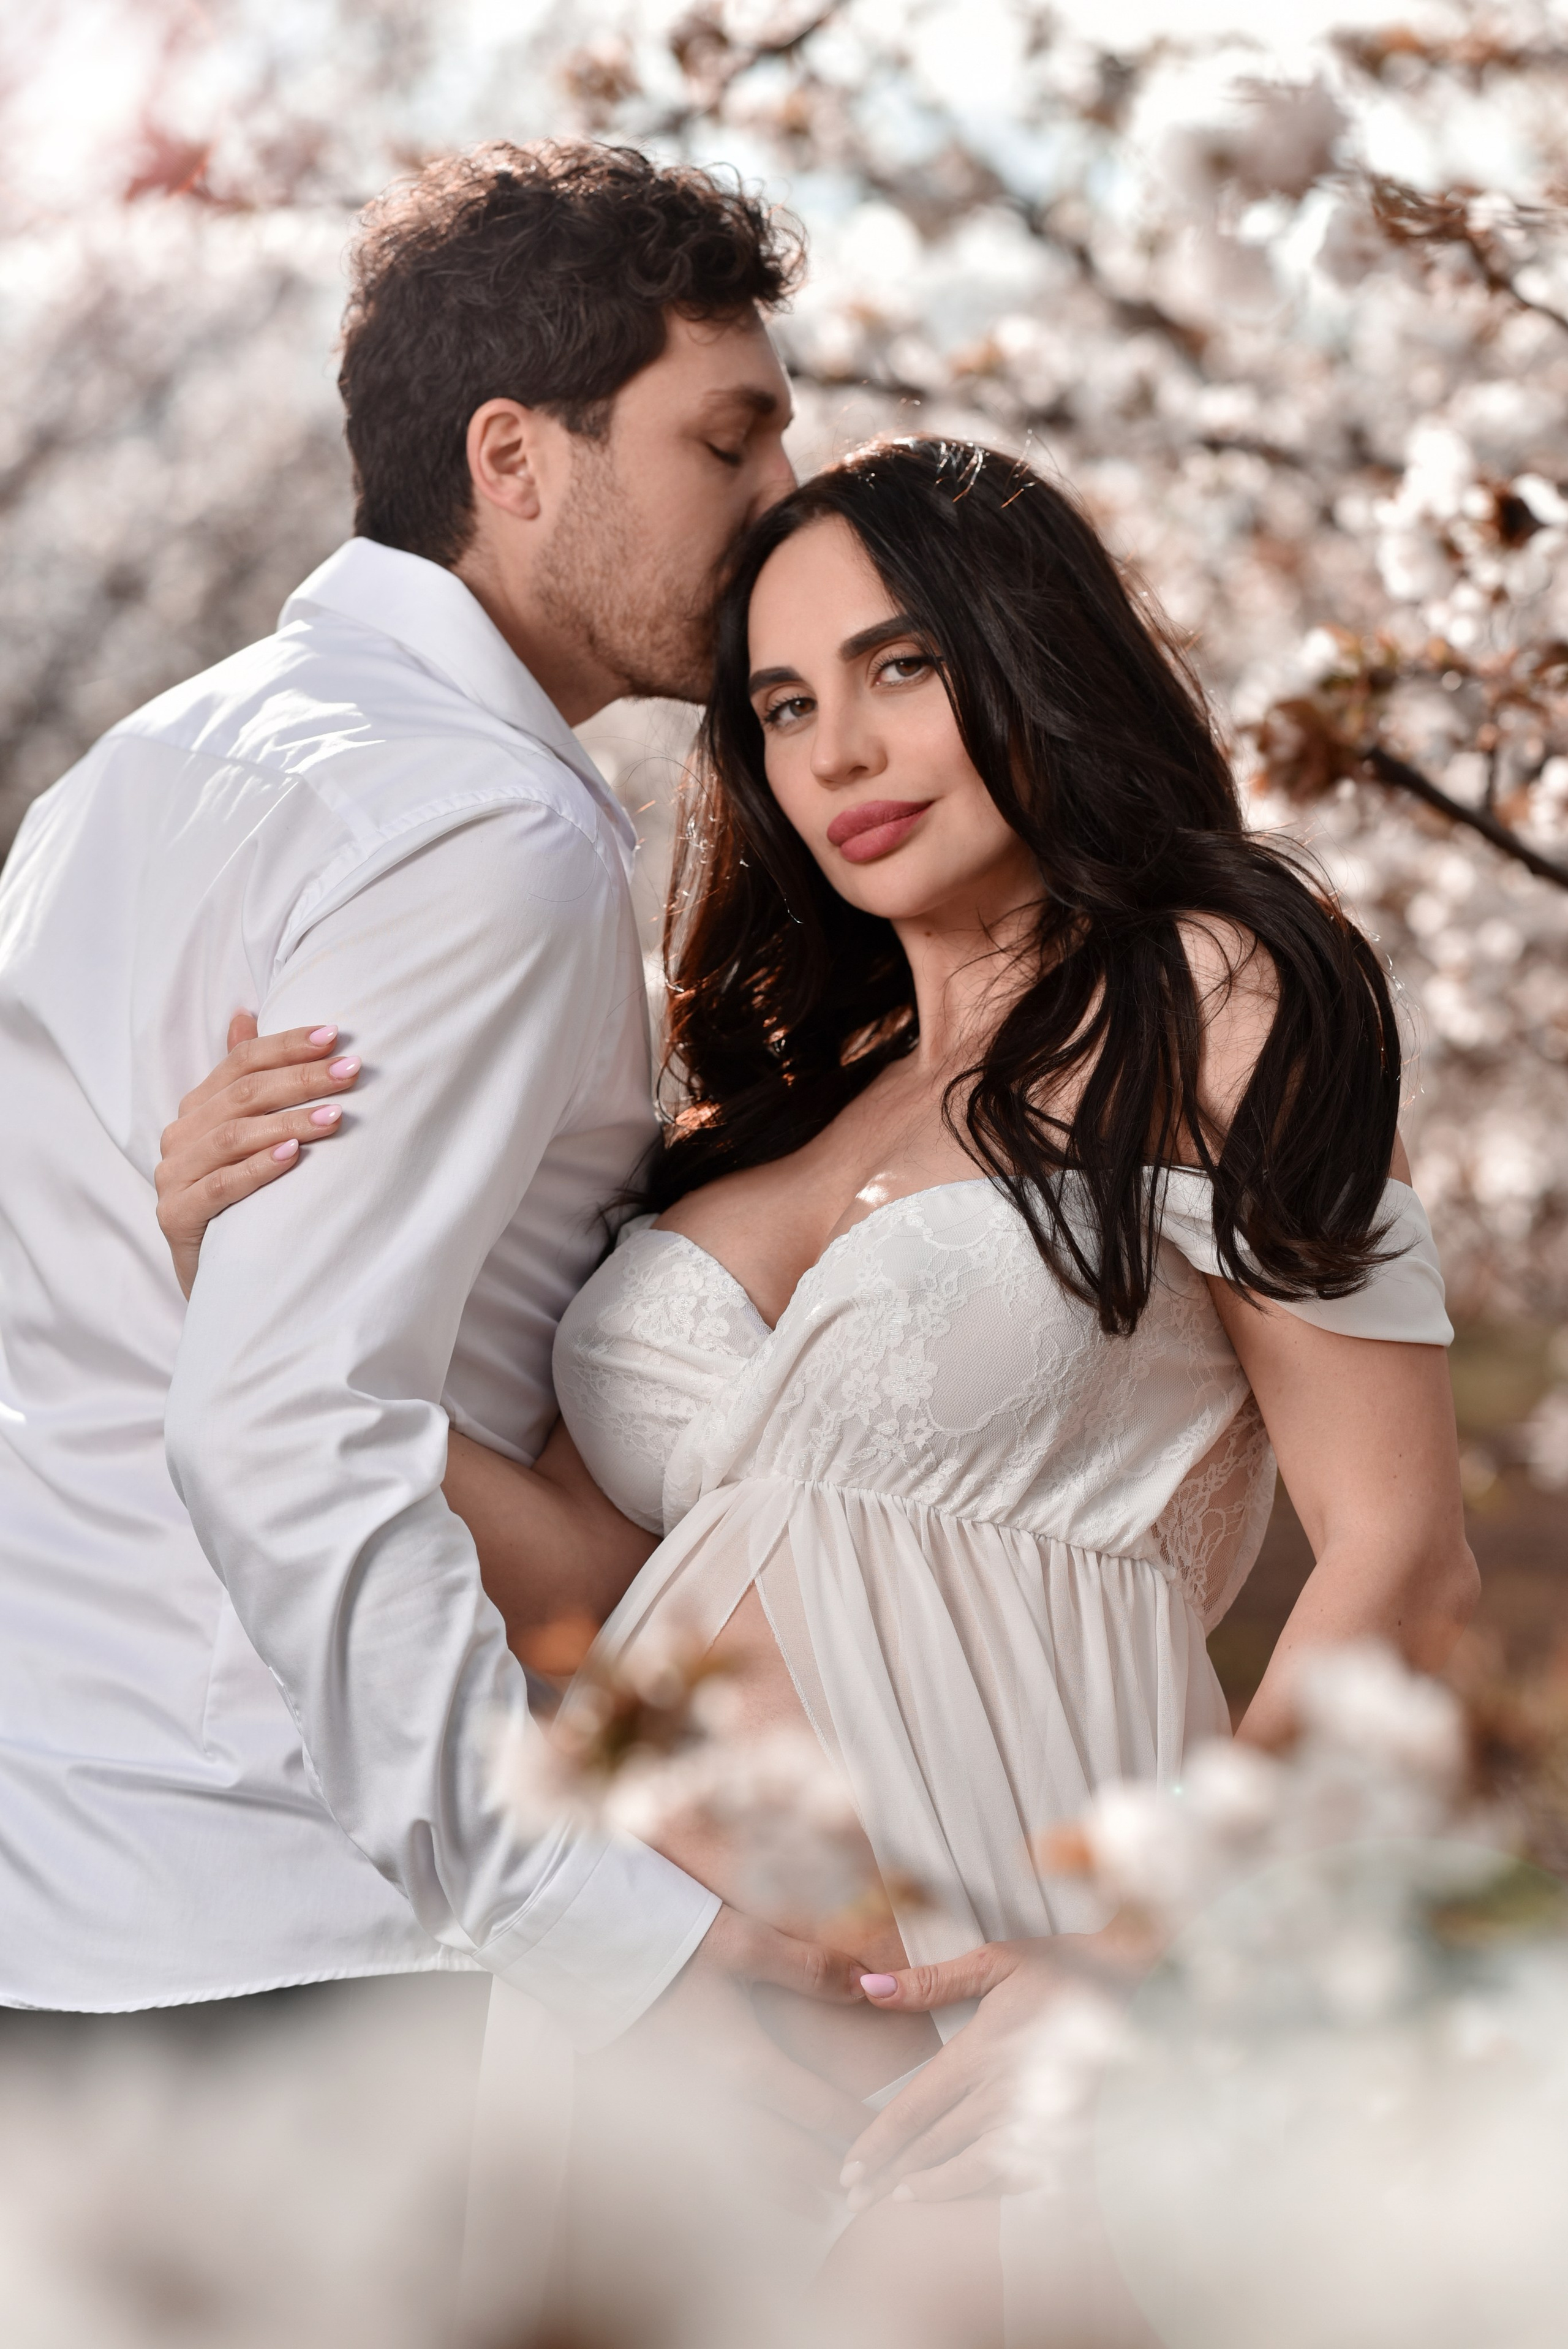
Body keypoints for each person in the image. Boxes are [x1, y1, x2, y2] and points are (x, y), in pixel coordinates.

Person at [157, 433, 1479, 2344]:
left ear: (1032, 656)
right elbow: (596, 1576)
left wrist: (1153, 1952)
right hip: (676, 1987)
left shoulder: (1213, 998)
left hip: (1015, 1968)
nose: (840, 750)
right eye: (782, 705)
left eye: (900, 667)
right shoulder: (751, 1104)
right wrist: (251, 1297)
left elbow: (1404, 1553)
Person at [0, 137, 871, 2178]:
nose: (781, 499)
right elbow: (292, 1419)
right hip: (301, 1922)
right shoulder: (481, 823)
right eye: (727, 438)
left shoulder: (138, 773)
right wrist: (593, 1921)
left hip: (69, 1888)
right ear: (513, 456)